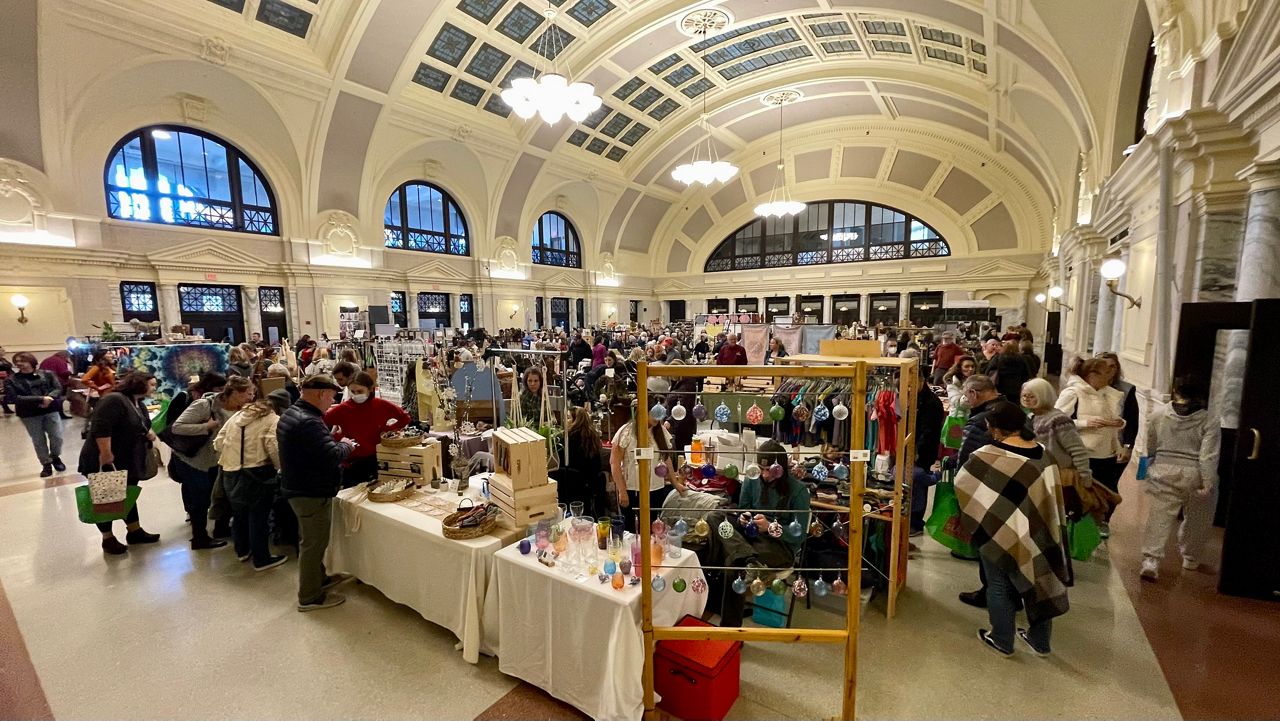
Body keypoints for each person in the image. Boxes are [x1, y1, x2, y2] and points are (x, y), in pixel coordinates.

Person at [954, 400, 1068, 657]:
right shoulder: (1043, 454)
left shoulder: (986, 456)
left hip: (997, 530)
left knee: (999, 583)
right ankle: (1040, 642)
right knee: (1039, 580)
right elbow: (1050, 497)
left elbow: (963, 485)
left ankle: (1002, 639)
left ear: (994, 428)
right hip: (1039, 530)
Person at [702, 439, 809, 627]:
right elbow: (744, 508)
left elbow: (798, 535)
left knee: (734, 567)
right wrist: (744, 517)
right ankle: (747, 557)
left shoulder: (798, 491)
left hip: (779, 545)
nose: (765, 475)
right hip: (750, 537)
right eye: (762, 469)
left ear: (782, 468)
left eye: (771, 470)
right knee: (714, 516)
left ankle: (731, 632)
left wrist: (770, 527)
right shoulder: (752, 480)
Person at [279, 374, 357, 611]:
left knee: (313, 540)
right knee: (313, 544)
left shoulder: (292, 413)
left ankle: (319, 579)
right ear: (321, 394)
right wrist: (346, 445)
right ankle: (310, 596)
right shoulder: (309, 421)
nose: (331, 402)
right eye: (331, 397)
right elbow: (331, 456)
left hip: (298, 486)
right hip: (310, 491)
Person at [1139, 377, 1220, 581]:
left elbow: (1149, 445)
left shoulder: (1159, 414)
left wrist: (1144, 471)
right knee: (1197, 518)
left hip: (1163, 470)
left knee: (1159, 517)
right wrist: (1209, 481)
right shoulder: (1209, 419)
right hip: (1195, 473)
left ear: (1175, 391)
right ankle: (1190, 557)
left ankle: (1151, 560)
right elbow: (1208, 455)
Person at [78, 371, 162, 555]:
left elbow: (139, 425)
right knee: (105, 497)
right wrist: (106, 454)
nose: (154, 388)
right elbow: (101, 428)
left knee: (127, 494)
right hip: (105, 458)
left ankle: (134, 530)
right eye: (152, 384)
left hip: (127, 458)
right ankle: (107, 538)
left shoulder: (137, 402)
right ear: (139, 384)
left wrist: (147, 433)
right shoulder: (114, 400)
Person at [171, 376, 255, 549]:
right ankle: (199, 538)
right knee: (200, 499)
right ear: (234, 393)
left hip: (217, 459)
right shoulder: (204, 405)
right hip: (193, 460)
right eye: (248, 393)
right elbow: (177, 427)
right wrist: (206, 427)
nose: (251, 397)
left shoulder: (241, 409)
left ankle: (221, 529)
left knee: (221, 494)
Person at [214, 392, 287, 571]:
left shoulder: (237, 416)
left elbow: (218, 442)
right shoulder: (272, 418)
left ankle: (242, 551)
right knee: (259, 517)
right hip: (258, 472)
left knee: (239, 514)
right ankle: (262, 559)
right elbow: (273, 445)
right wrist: (281, 469)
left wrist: (234, 457)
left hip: (230, 471)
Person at [1055, 357, 1126, 537]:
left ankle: (1097, 525)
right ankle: (1077, 530)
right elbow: (1056, 421)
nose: (1109, 377)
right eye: (1105, 373)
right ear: (1091, 375)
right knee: (1082, 495)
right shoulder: (1073, 393)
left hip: (1107, 452)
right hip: (1084, 452)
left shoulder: (1107, 393)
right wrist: (1085, 422)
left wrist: (1118, 423)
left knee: (1103, 494)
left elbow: (1112, 420)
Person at [956, 374, 1008, 607]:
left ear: (974, 394)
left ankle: (992, 594)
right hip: (1007, 489)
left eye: (967, 395)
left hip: (986, 490)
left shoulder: (981, 421)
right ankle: (1006, 593)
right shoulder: (1009, 409)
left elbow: (967, 459)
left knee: (987, 546)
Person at [324, 371, 410, 487]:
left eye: (360, 391)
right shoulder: (342, 409)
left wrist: (389, 430)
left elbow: (404, 418)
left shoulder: (381, 405)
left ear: (370, 389)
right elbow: (319, 424)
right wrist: (337, 438)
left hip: (378, 458)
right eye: (352, 392)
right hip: (353, 462)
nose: (355, 395)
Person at [610, 411, 676, 532]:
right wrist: (622, 490)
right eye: (654, 413)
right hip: (632, 490)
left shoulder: (660, 431)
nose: (657, 418)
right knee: (632, 530)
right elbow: (614, 463)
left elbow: (666, 459)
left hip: (656, 489)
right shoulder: (626, 432)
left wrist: (676, 483)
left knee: (653, 529)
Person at [1020, 379, 1094, 488]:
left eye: (1031, 396)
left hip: (1060, 475)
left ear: (1043, 396)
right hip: (1042, 475)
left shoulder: (1059, 420)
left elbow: (1077, 450)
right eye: (1024, 395)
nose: (1026, 399)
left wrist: (1084, 478)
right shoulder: (1031, 417)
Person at [6, 352, 66, 477]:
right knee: (38, 440)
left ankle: (55, 456)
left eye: (23, 360)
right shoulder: (12, 380)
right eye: (16, 361)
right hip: (29, 414)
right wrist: (41, 399)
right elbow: (14, 398)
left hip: (50, 409)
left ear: (31, 361)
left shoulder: (47, 374)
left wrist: (49, 398)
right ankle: (46, 464)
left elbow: (58, 388)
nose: (19, 364)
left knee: (57, 436)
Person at [551, 407, 607, 517]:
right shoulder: (593, 438)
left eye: (568, 418)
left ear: (575, 420)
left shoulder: (565, 440)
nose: (565, 420)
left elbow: (557, 462)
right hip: (589, 486)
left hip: (571, 486)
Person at [910, 381, 945, 535]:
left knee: (918, 488)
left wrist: (918, 452)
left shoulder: (931, 402)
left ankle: (916, 524)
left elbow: (929, 431)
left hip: (921, 452)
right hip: (914, 450)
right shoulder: (916, 397)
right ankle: (911, 523)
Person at [1094, 352, 1139, 468]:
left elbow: (1132, 421)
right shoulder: (1086, 387)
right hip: (1090, 444)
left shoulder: (1127, 390)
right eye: (1104, 365)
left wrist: (1127, 447)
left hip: (1115, 446)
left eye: (1112, 366)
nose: (1108, 370)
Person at [39, 350, 74, 418]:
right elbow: (63, 373)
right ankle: (60, 414)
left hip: (44, 383)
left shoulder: (47, 359)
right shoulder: (60, 361)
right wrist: (70, 373)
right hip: (57, 382)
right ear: (66, 356)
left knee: (50, 398)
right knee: (59, 398)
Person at [0, 346, 12, 415]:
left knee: (4, 394)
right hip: (1, 379)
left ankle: (5, 407)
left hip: (6, 378)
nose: (3, 351)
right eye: (1, 350)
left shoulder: (3, 359)